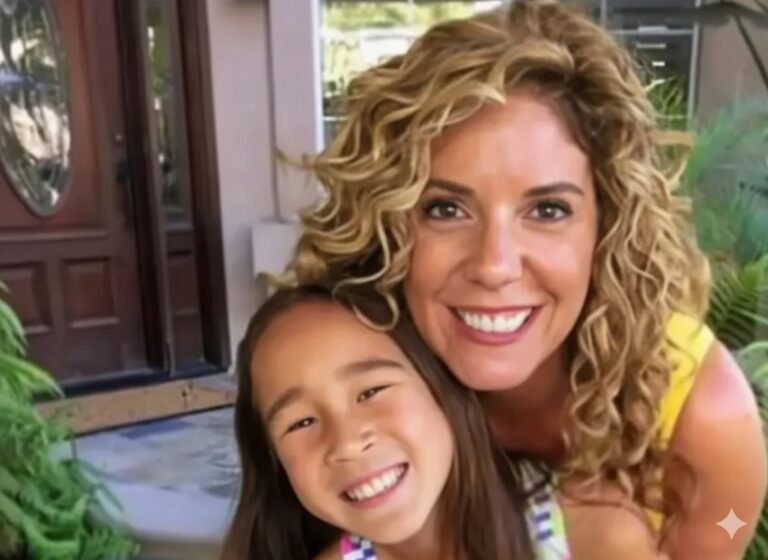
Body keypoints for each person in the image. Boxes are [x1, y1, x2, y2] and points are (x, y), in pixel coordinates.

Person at [289, 1, 767, 558]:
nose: (495, 265)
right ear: (388, 226)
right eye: (445, 209)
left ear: (606, 227)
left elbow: (730, 527)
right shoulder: (347, 374)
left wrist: (714, 536)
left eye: (547, 211)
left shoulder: (704, 413)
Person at [220, 285, 666, 560]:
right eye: (300, 423)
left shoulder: (595, 532)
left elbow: (731, 519)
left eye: (371, 392)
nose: (348, 441)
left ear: (444, 391)